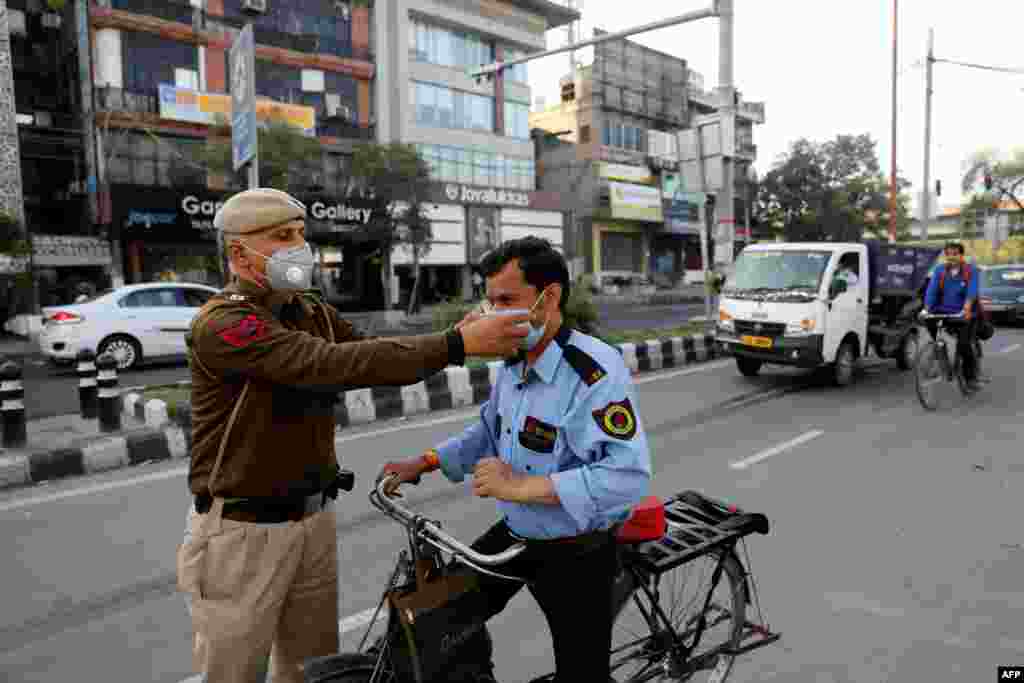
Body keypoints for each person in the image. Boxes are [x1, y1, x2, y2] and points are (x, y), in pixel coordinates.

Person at [175, 188, 531, 683]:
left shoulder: (309, 309)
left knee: (314, 672)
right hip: (242, 532)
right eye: (282, 236)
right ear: (239, 253)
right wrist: (455, 345)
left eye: (300, 233)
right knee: (232, 674)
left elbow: (369, 353)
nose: (299, 244)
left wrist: (456, 333)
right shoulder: (225, 323)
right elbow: (325, 363)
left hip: (313, 520)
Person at [380, 236, 652, 683]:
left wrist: (520, 486)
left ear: (550, 297)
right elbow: (489, 430)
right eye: (490, 301)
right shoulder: (516, 359)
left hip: (575, 550)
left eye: (508, 300)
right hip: (518, 535)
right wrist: (426, 461)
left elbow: (624, 476)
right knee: (437, 624)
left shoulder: (593, 371)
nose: (496, 312)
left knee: (582, 674)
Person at [923, 242, 981, 390]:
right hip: (944, 310)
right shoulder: (940, 270)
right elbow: (932, 290)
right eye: (948, 254)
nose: (951, 257)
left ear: (961, 255)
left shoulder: (970, 270)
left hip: (966, 313)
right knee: (928, 321)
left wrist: (967, 308)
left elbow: (972, 291)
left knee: (963, 345)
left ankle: (971, 377)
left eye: (954, 254)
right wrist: (927, 308)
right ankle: (939, 350)